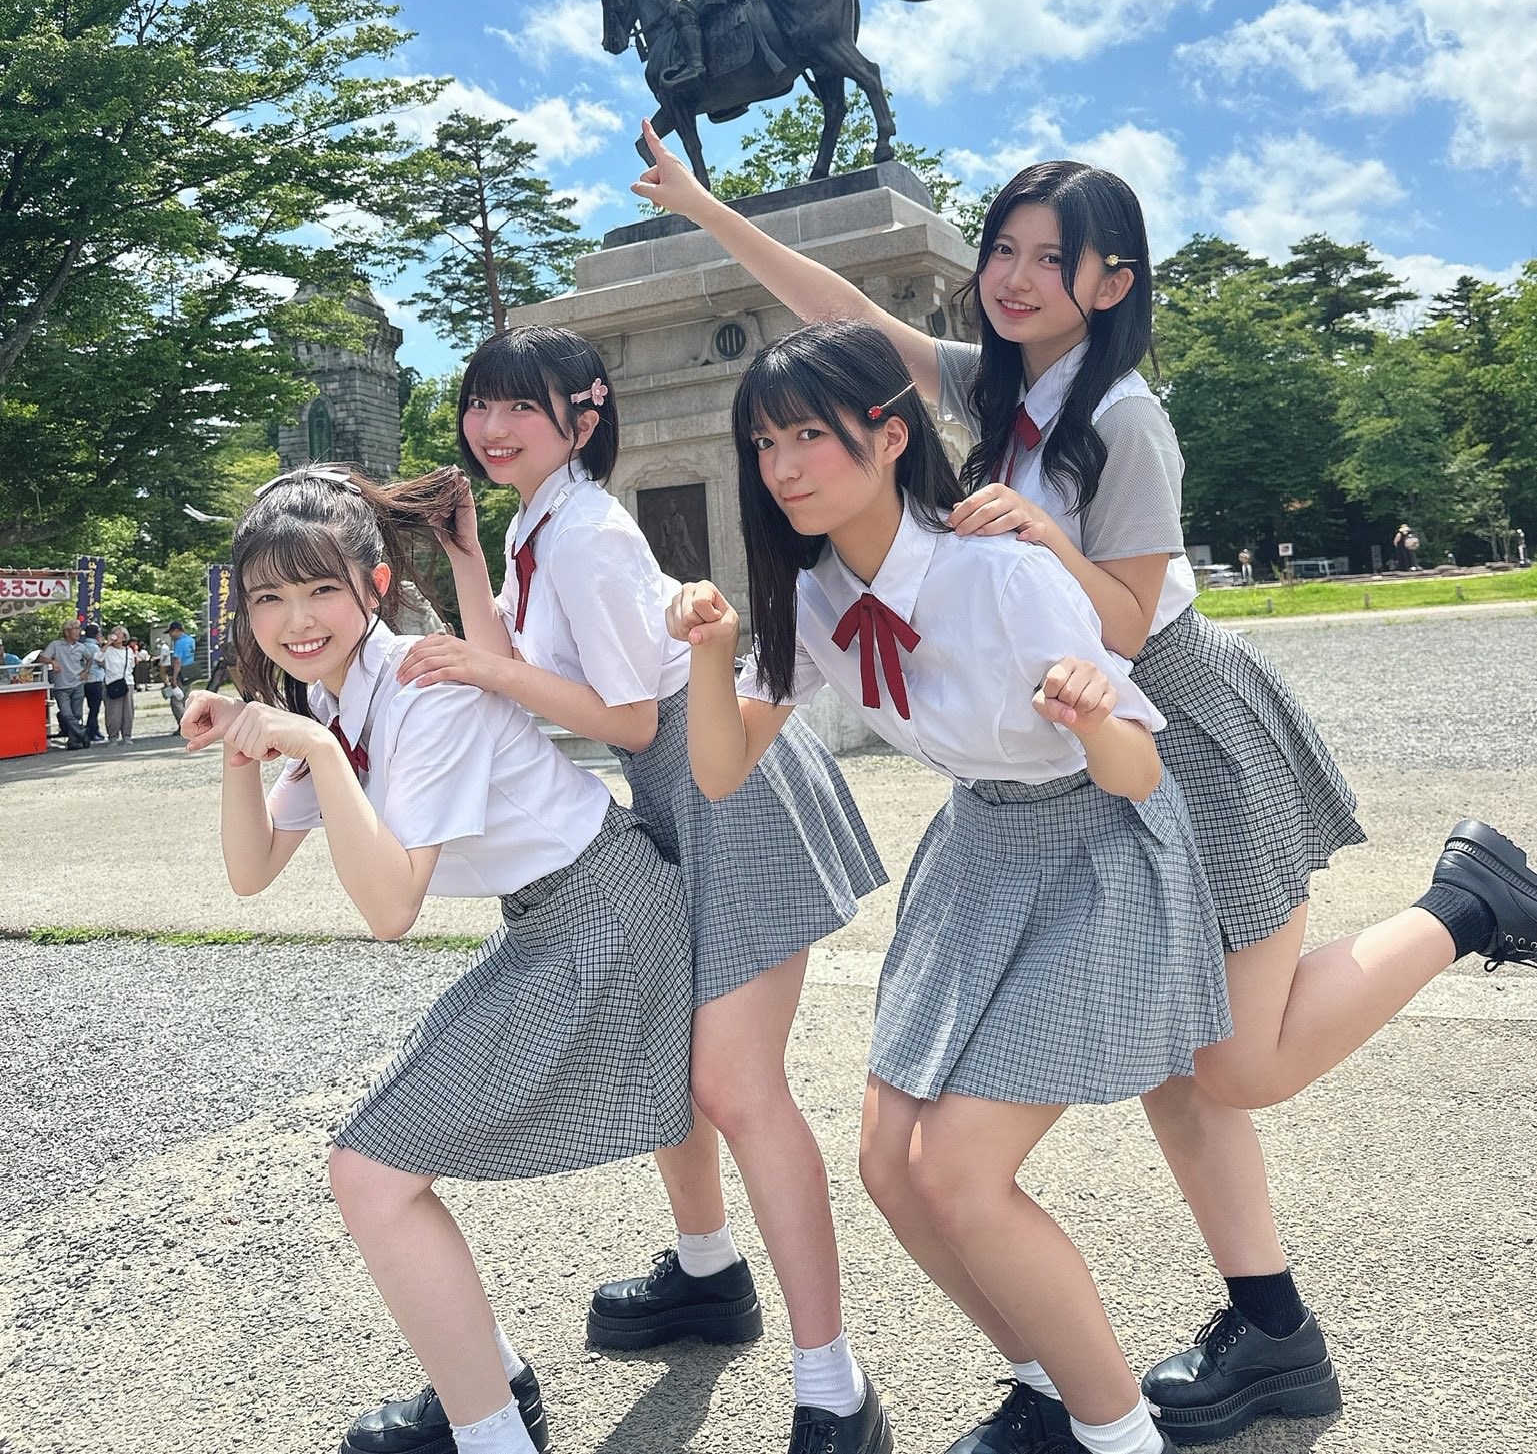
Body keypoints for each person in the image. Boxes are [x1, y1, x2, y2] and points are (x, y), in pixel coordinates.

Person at [633, 125, 1537, 1444]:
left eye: (1048, 259)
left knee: (1235, 1060)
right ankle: (1270, 1328)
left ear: (1112, 282)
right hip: (1062, 714)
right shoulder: (994, 393)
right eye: (1000, 249)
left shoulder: (1120, 417)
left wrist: (1043, 539)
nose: (1011, 277)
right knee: (1185, 1064)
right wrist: (707, 209)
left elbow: (1116, 624)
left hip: (1168, 712)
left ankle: (1465, 904)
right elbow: (846, 324)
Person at [674, 321, 1233, 1454]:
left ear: (889, 437)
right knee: (889, 1167)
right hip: (978, 846)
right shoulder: (816, 592)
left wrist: (1089, 710)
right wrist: (706, 652)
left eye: (806, 436)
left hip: (1097, 845)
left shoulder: (1003, 573)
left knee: (960, 1172)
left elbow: (1137, 771)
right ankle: (1048, 1390)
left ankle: (1122, 1437)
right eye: (763, 443)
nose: (781, 467)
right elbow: (721, 770)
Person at [371, 325, 890, 1454]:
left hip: (725, 787)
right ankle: (707, 1274)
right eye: (479, 403)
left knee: (738, 1088)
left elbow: (626, 718)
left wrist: (482, 665)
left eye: (522, 405)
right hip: (681, 788)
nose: (491, 427)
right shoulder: (538, 521)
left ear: (585, 412)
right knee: (676, 1049)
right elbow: (527, 669)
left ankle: (834, 1384)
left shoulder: (590, 534)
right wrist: (468, 561)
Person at [180, 463, 694, 1454]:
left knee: (368, 1173)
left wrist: (314, 752)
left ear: (374, 585)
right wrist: (243, 749)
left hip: (606, 914)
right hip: (546, 923)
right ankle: (491, 1385)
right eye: (269, 598)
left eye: (321, 588)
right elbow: (251, 873)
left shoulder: (424, 690)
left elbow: (390, 909)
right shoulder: (330, 697)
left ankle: (494, 1431)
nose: (296, 620)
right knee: (374, 1163)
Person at [41, 618, 92, 748]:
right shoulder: (56, 645)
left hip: (78, 683)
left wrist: (86, 671)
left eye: (79, 629)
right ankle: (82, 733)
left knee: (77, 714)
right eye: (76, 629)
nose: (79, 632)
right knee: (66, 714)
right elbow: (42, 657)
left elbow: (90, 658)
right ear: (67, 631)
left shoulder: (81, 647)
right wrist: (52, 661)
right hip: (61, 685)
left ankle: (73, 742)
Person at [100, 623, 136, 743]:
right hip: (111, 682)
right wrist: (107, 643)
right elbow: (98, 658)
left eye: (120, 634)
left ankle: (127, 734)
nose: (117, 636)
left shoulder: (128, 651)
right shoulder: (108, 650)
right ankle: (113, 736)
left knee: (128, 711)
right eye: (115, 634)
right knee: (113, 712)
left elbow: (132, 665)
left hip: (127, 682)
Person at [167, 618, 197, 725]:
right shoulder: (191, 640)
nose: (170, 635)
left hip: (181, 672)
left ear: (176, 630)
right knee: (186, 699)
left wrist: (174, 678)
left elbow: (177, 661)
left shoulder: (179, 643)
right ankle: (190, 721)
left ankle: (183, 724)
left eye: (171, 632)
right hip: (190, 671)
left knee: (176, 701)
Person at [80, 620, 105, 742]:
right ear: (97, 634)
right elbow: (101, 663)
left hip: (84, 680)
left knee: (89, 707)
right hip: (96, 679)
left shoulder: (82, 646)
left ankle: (93, 729)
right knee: (94, 708)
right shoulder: (95, 648)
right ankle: (92, 731)